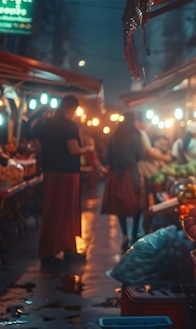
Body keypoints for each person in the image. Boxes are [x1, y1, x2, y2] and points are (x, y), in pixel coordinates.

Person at [34, 95, 94, 267]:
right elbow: (73, 149)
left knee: (52, 210)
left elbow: (37, 148)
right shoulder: (70, 126)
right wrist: (87, 149)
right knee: (67, 210)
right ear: (71, 109)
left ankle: (53, 250)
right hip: (67, 174)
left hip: (50, 173)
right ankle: (61, 250)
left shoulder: (45, 124)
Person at [101, 112, 146, 252]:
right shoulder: (136, 136)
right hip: (131, 174)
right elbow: (140, 155)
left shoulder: (114, 137)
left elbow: (107, 158)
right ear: (133, 121)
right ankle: (134, 236)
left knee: (121, 204)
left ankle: (125, 235)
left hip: (116, 176)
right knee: (137, 203)